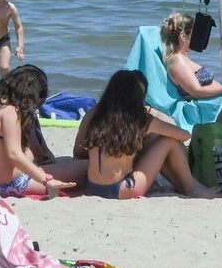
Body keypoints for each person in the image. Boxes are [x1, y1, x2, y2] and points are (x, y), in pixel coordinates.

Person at [73, 70, 214, 199]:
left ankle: (186, 187)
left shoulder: (98, 116)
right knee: (167, 141)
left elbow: (80, 150)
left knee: (153, 145)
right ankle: (191, 188)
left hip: (92, 187)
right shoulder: (141, 120)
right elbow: (184, 135)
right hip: (120, 189)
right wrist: (152, 133)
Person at [0, 65, 85, 198]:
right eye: (39, 101)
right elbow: (14, 155)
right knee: (86, 167)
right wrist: (47, 180)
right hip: (11, 184)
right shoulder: (10, 112)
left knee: (67, 160)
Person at [160, 12, 222, 99]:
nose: (197, 37)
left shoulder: (183, 59)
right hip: (208, 107)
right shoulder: (177, 59)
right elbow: (197, 91)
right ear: (183, 36)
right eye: (194, 33)